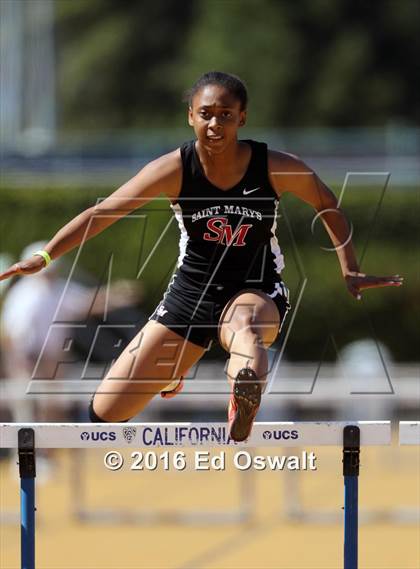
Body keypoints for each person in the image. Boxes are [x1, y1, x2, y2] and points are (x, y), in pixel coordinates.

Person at [0, 71, 403, 442]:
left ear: (242, 118)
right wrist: (48, 255)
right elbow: (102, 213)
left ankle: (244, 392)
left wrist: (349, 266)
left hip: (256, 289)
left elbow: (326, 202)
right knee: (104, 413)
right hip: (190, 296)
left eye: (226, 115)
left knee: (244, 328)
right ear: (190, 116)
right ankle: (174, 371)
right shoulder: (174, 169)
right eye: (206, 114)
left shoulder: (274, 167)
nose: (215, 124)